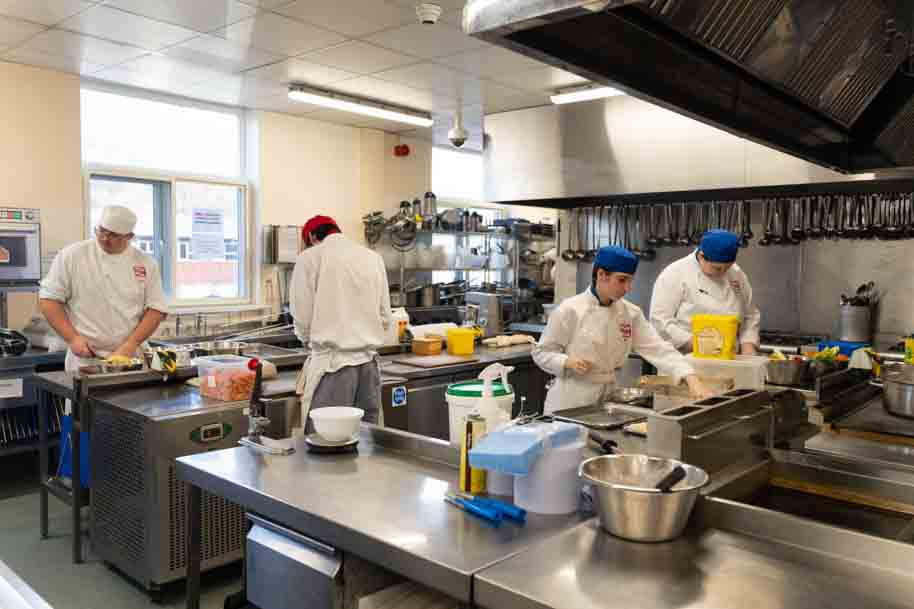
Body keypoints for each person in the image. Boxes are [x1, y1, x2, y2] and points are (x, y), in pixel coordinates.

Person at [533, 245, 712, 413]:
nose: (628, 288)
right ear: (602, 274)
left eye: (630, 281)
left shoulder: (630, 313)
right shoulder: (570, 310)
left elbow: (658, 349)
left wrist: (690, 377)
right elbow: (542, 353)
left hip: (608, 398)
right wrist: (567, 362)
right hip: (570, 401)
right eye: (622, 280)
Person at [39, 205, 168, 376]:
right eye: (101, 231)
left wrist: (130, 344)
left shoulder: (145, 263)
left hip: (131, 358)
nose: (105, 238)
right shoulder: (72, 256)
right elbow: (48, 300)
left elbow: (156, 309)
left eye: (113, 235)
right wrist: (72, 338)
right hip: (86, 359)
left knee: (133, 401)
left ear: (130, 236)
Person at [291, 215, 392, 430]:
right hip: (368, 368)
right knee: (366, 444)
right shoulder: (372, 257)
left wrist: (309, 339)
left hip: (333, 367)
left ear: (311, 236)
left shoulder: (310, 258)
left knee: (326, 443)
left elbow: (302, 315)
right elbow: (385, 314)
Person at [650, 229, 760, 356]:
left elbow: (750, 315)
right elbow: (660, 321)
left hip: (727, 359)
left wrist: (748, 345)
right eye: (717, 268)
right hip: (683, 359)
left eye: (727, 267)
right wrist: (699, 343)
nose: (723, 272)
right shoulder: (675, 273)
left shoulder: (736, 273)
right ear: (701, 255)